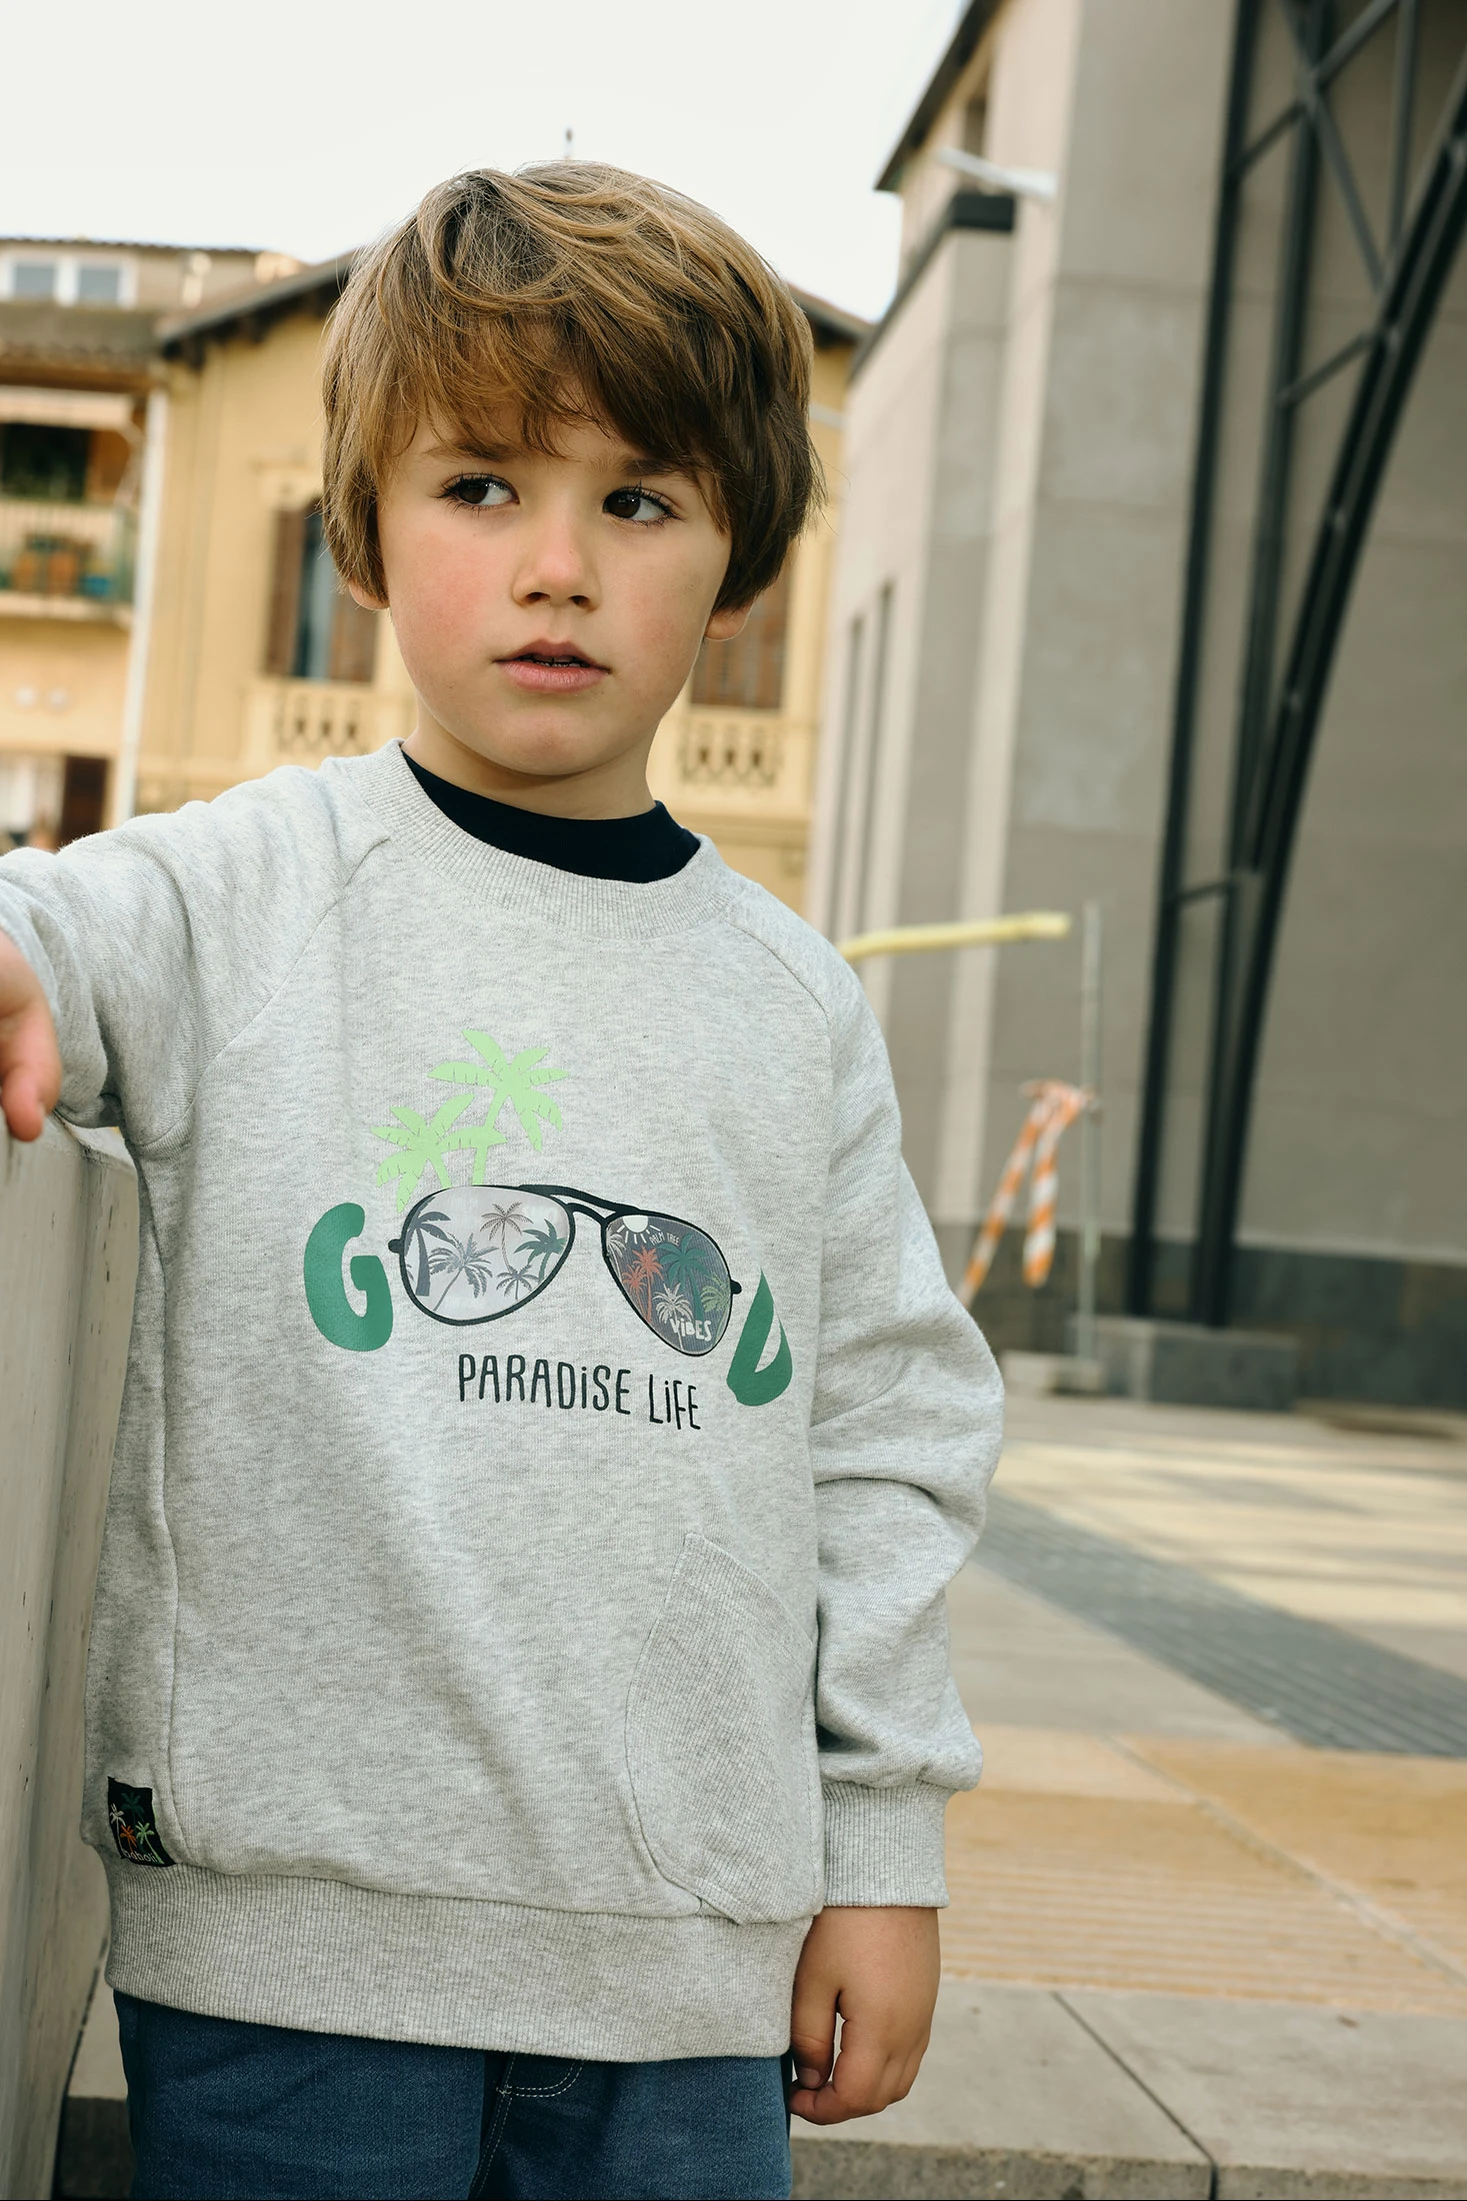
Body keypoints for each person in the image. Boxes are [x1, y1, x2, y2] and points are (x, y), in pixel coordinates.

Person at [0, 165, 1001, 2201]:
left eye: (637, 500)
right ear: (365, 534)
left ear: (736, 558)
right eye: (480, 487)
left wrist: (881, 1852)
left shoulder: (790, 1004)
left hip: (689, 1959)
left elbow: (885, 1433)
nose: (559, 566)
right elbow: (57, 932)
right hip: (291, 1948)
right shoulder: (243, 887)